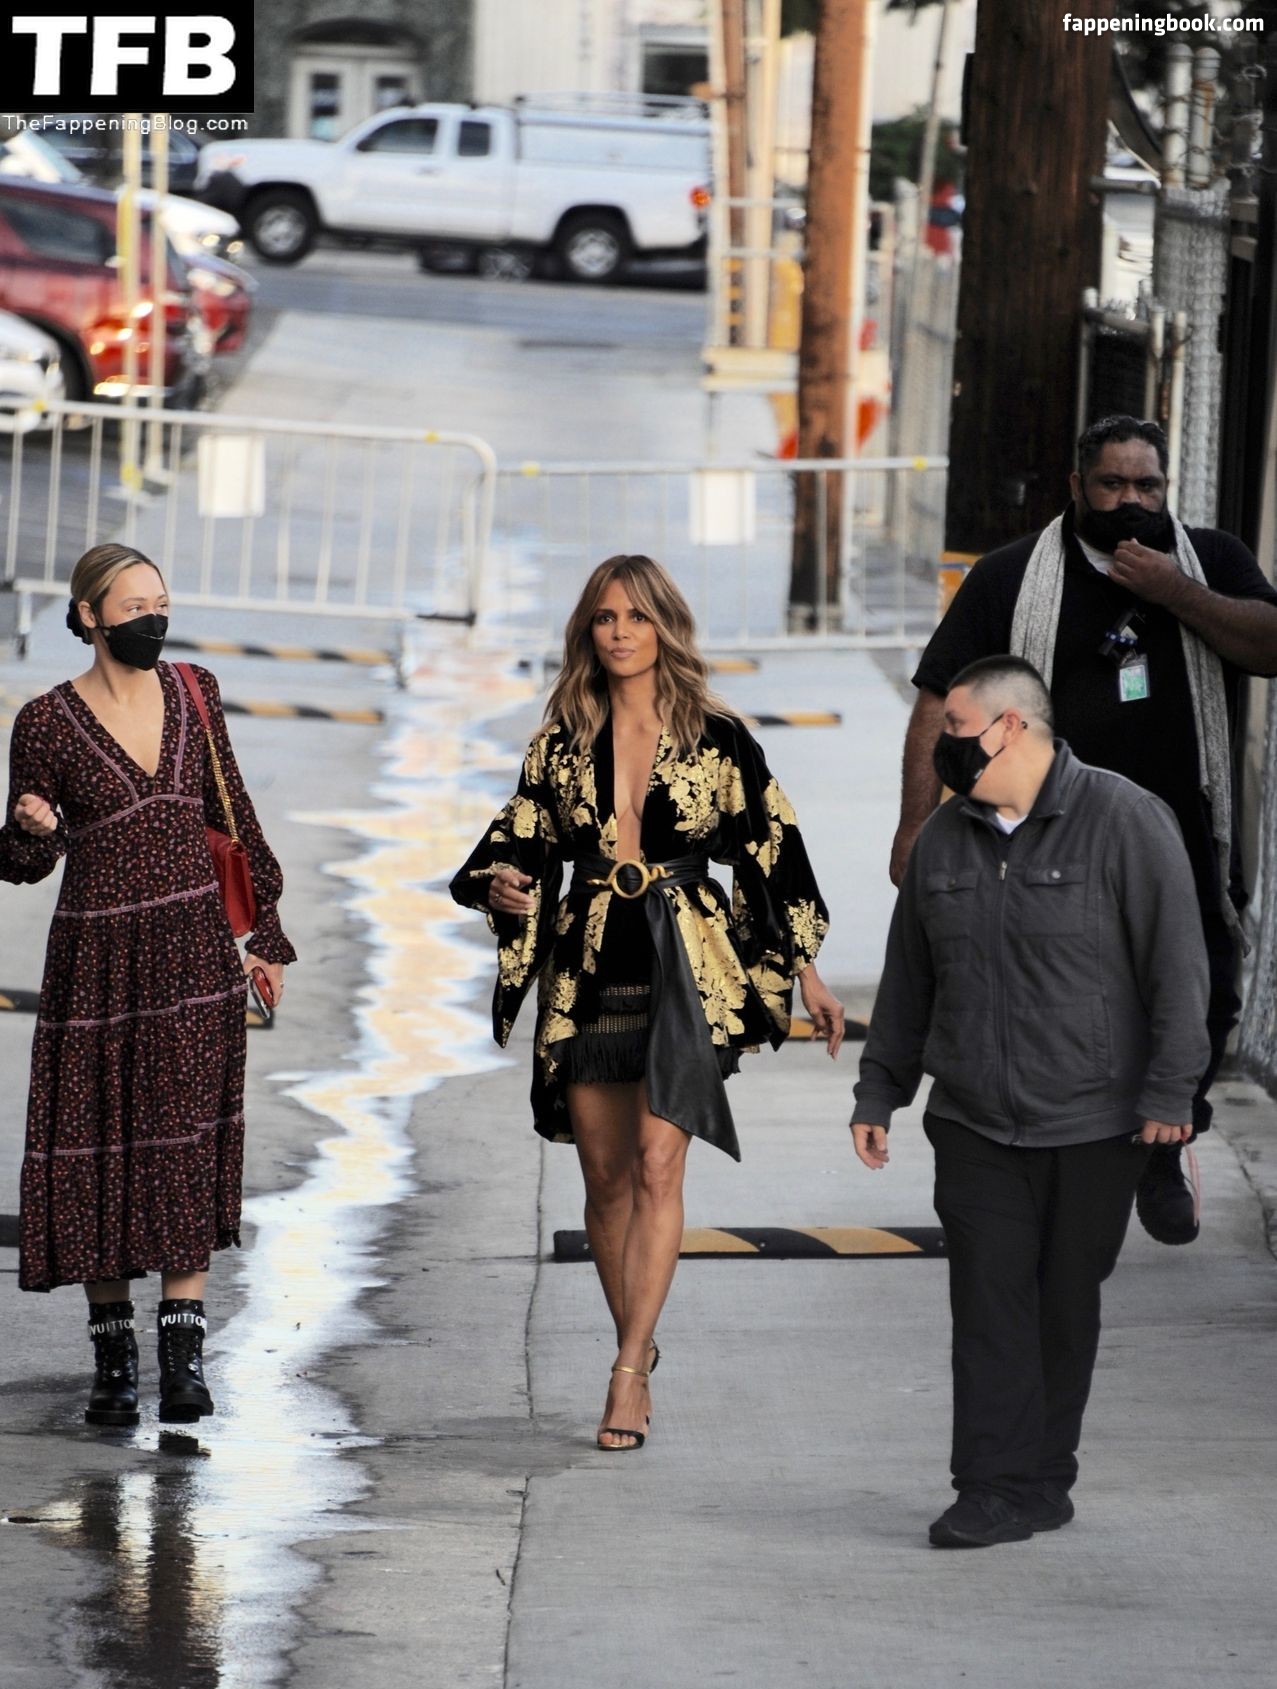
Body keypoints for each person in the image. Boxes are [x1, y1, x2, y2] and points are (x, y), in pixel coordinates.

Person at [451, 554, 844, 1452]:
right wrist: (503, 886)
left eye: (636, 616)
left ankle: (627, 1368)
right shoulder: (559, 740)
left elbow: (773, 850)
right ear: (586, 632)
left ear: (665, 625)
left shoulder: (719, 737)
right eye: (604, 617)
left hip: (686, 967)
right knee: (605, 1179)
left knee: (660, 1166)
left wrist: (806, 970)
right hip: (589, 966)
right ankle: (639, 1336)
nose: (621, 632)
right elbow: (514, 840)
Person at [890, 415, 1277, 1246]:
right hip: (1045, 836)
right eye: (1111, 484)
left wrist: (1174, 591)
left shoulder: (1209, 561)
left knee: (1199, 990)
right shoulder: (1010, 576)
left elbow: (1268, 645)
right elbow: (938, 697)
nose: (1130, 500)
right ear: (1075, 487)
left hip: (1180, 830)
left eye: (1146, 485)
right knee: (1051, 997)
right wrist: (913, 824)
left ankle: (1163, 1143)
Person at [852, 656, 1209, 1548]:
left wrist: (1171, 1094)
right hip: (973, 1120)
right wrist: (879, 1091)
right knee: (988, 1301)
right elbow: (909, 979)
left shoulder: (1125, 820)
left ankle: (1044, 1480)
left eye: (953, 728)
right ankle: (990, 1487)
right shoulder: (943, 840)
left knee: (1062, 1303)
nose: (941, 745)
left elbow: (1176, 968)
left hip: (1094, 1122)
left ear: (1008, 726)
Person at [0, 543, 296, 1424]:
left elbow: (233, 814)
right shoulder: (46, 723)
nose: (152, 620)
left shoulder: (196, 693)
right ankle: (113, 1363)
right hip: (95, 962)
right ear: (89, 615)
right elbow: (21, 864)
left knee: (182, 1144)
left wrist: (265, 934)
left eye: (160, 603)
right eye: (133, 607)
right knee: (99, 1146)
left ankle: (183, 1360)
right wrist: (31, 828)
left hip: (193, 955)